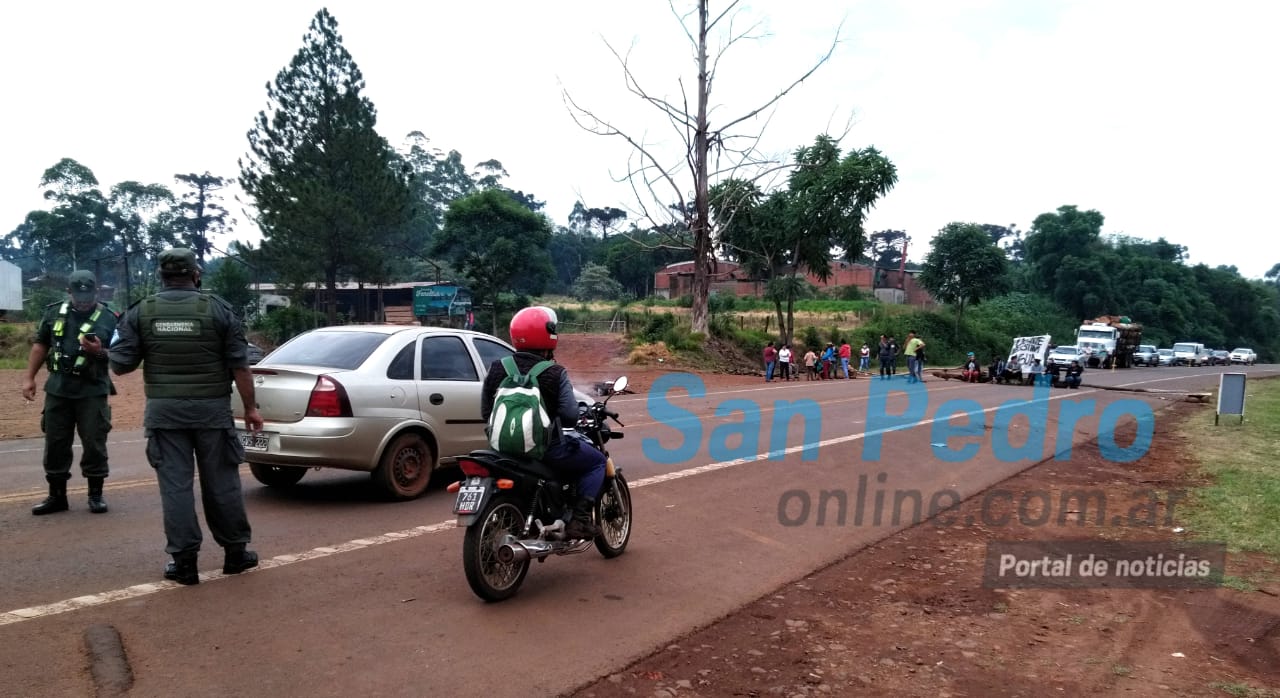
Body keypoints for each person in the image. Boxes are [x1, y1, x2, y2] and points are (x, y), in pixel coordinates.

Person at [108, 248, 262, 586]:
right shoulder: (219, 311)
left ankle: (184, 564)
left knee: (175, 488)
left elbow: (121, 365)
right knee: (222, 484)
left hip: (165, 415)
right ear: (195, 274)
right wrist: (251, 409)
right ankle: (236, 555)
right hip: (212, 412)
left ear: (162, 276)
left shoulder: (141, 312)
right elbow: (240, 366)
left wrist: (102, 352)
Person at [481, 305, 606, 541]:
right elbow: (570, 416)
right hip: (545, 450)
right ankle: (579, 521)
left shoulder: (498, 368)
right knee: (597, 462)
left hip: (501, 449)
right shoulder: (554, 372)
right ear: (548, 335)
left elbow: (485, 412)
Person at [21, 270, 119, 515]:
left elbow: (122, 356)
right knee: (55, 443)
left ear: (96, 291)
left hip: (92, 390)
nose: (83, 300)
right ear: (68, 292)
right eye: (78, 295)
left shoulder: (110, 318)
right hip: (58, 390)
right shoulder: (53, 312)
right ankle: (57, 497)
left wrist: (98, 352)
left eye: (88, 294)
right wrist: (29, 378)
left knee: (95, 443)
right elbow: (41, 344)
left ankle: (95, 496)